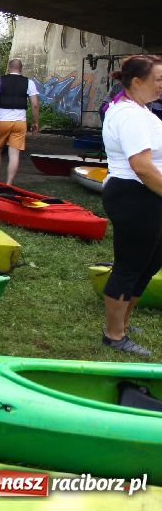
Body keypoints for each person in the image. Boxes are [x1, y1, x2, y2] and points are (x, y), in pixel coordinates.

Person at [99, 54, 162, 357]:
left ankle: (123, 321)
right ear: (137, 82)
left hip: (146, 195)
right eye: (158, 80)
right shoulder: (130, 115)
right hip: (134, 195)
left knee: (150, 263)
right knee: (130, 265)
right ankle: (114, 335)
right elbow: (142, 167)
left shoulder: (139, 110)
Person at [0, 59, 40, 185]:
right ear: (21, 69)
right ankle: (9, 184)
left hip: (1, 121)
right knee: (14, 154)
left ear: (9, 68)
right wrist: (36, 122)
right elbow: (35, 105)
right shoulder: (29, 82)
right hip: (20, 122)